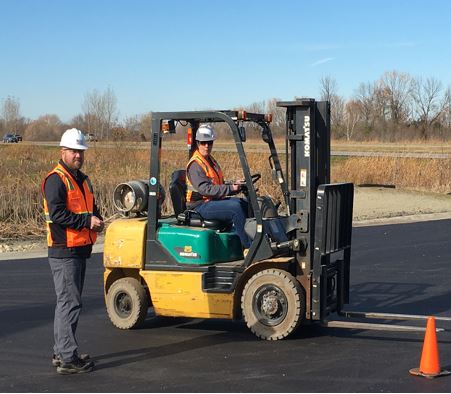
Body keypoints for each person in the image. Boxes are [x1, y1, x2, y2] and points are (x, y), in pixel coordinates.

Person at [42, 128, 104, 375]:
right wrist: (87, 222)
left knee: (65, 303)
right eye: (74, 151)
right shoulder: (56, 179)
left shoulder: (81, 179)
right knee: (70, 303)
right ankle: (67, 357)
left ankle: (62, 351)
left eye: (81, 151)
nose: (78, 155)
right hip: (64, 249)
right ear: (63, 151)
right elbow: (57, 214)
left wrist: (96, 217)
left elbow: (91, 207)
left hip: (78, 248)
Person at [186, 124, 251, 249]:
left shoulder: (210, 161)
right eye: (204, 143)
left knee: (244, 203)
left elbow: (217, 185)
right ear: (198, 143)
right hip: (199, 206)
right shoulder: (195, 164)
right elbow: (206, 189)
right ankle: (249, 247)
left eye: (209, 143)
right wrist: (230, 188)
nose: (207, 146)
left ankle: (247, 241)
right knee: (235, 208)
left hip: (211, 201)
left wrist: (234, 185)